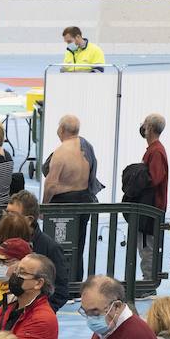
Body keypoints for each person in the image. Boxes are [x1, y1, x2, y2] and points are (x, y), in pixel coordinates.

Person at [41, 115, 95, 273]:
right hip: (84, 199)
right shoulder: (86, 146)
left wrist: (44, 206)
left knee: (59, 245)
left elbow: (50, 184)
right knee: (77, 245)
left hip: (64, 202)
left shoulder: (61, 152)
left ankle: (62, 284)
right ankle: (76, 283)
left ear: (62, 130)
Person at [5, 192, 71, 310]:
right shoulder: (2, 242)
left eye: (13, 215)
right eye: (6, 213)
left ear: (29, 219)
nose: (6, 219)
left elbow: (61, 291)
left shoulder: (50, 248)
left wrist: (38, 310)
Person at [135, 113, 170, 286]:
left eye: (145, 124)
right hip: (149, 206)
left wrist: (135, 178)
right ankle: (148, 280)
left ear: (149, 128)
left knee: (147, 246)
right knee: (145, 245)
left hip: (151, 208)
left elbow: (154, 178)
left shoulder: (156, 151)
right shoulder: (153, 149)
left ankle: (148, 283)